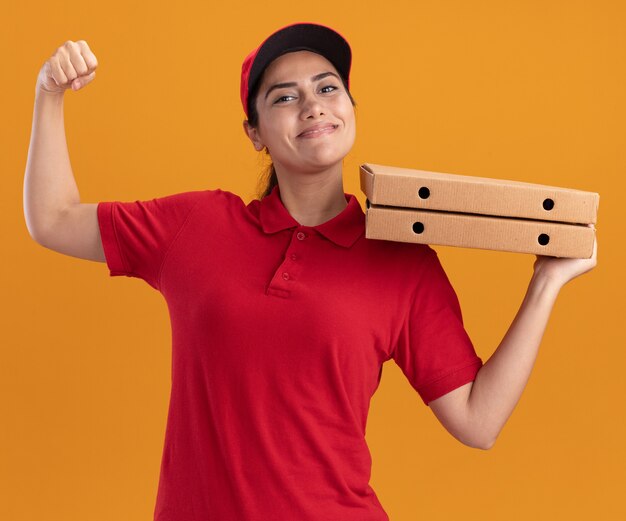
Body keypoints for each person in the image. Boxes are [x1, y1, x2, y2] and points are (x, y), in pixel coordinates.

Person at [24, 22, 598, 521]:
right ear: (255, 134)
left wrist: (547, 281)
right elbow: (52, 220)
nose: (314, 105)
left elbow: (479, 420)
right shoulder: (195, 226)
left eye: (328, 88)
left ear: (351, 109)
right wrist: (48, 94)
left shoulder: (402, 262)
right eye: (284, 97)